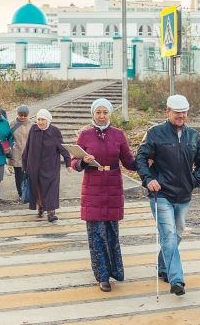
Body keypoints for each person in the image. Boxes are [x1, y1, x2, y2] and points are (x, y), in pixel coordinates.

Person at [136, 94, 200, 296]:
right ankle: (177, 280)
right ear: (167, 111)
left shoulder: (193, 135)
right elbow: (140, 158)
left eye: (184, 112)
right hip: (161, 194)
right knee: (168, 235)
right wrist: (148, 179)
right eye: (177, 112)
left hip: (184, 195)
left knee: (176, 234)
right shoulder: (154, 133)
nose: (181, 116)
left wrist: (194, 180)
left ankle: (163, 266)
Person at [70, 98, 137, 293]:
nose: (101, 116)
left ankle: (115, 270)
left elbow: (129, 162)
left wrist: (147, 160)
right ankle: (102, 276)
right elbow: (74, 163)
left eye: (105, 112)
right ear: (93, 114)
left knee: (111, 233)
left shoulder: (118, 134)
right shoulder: (85, 135)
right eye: (98, 112)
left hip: (113, 186)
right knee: (96, 235)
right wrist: (84, 161)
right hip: (92, 188)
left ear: (109, 114)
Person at [22, 109, 72, 222]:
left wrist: (68, 162)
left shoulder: (54, 131)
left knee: (51, 189)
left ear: (48, 120)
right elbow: (27, 147)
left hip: (50, 167)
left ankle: (51, 213)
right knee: (37, 188)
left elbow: (62, 147)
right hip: (34, 166)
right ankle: (40, 206)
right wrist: (24, 164)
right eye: (38, 119)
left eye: (42, 119)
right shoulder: (33, 129)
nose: (40, 122)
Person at [8, 104, 32, 200]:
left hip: (29, 153)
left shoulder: (32, 124)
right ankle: (20, 193)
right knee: (19, 174)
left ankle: (28, 192)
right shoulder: (12, 124)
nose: (22, 117)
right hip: (16, 152)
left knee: (29, 174)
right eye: (20, 115)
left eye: (24, 115)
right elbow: (8, 137)